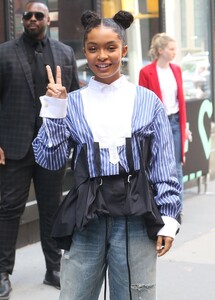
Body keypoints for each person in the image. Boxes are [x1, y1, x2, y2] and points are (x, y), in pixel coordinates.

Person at [33, 10, 181, 300]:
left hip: (137, 216)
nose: (102, 56)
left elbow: (164, 166)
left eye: (110, 48)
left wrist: (169, 219)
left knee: (135, 295)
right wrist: (53, 109)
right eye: (93, 48)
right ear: (85, 52)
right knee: (75, 294)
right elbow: (50, 162)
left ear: (123, 50)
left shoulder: (147, 101)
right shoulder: (71, 103)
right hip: (86, 216)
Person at [0, 1, 79, 299]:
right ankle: (2, 271)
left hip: (52, 144)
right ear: (23, 20)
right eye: (27, 15)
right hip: (14, 146)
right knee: (9, 210)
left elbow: (74, 97)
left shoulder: (64, 52)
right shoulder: (4, 52)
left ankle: (54, 268)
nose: (32, 19)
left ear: (48, 20)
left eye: (38, 15)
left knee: (52, 209)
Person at [139, 33, 189, 206]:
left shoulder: (176, 70)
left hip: (175, 122)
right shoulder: (146, 72)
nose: (175, 52)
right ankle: (159, 203)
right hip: (157, 123)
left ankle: (176, 204)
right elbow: (143, 102)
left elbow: (180, 100)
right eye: (172, 48)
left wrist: (185, 127)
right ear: (161, 50)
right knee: (157, 163)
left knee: (175, 164)